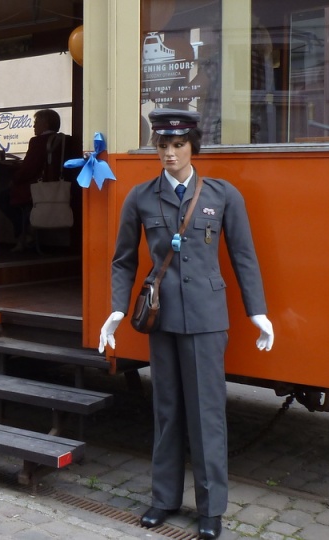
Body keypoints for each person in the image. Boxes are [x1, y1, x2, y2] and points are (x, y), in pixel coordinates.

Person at [98, 108, 274, 540]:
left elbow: (244, 257)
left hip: (207, 320)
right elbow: (123, 260)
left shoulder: (221, 194)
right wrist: (118, 309)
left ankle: (211, 509)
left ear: (193, 147)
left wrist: (258, 312)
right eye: (163, 146)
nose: (170, 154)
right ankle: (164, 499)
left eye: (178, 145)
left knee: (207, 414)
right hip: (161, 321)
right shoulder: (140, 197)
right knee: (167, 411)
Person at [0, 109, 75, 252]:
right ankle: (27, 231)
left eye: (36, 122)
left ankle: (24, 233)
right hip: (53, 186)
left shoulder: (38, 141)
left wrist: (14, 179)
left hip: (34, 188)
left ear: (45, 124)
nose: (34, 126)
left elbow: (28, 169)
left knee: (1, 198)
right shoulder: (62, 139)